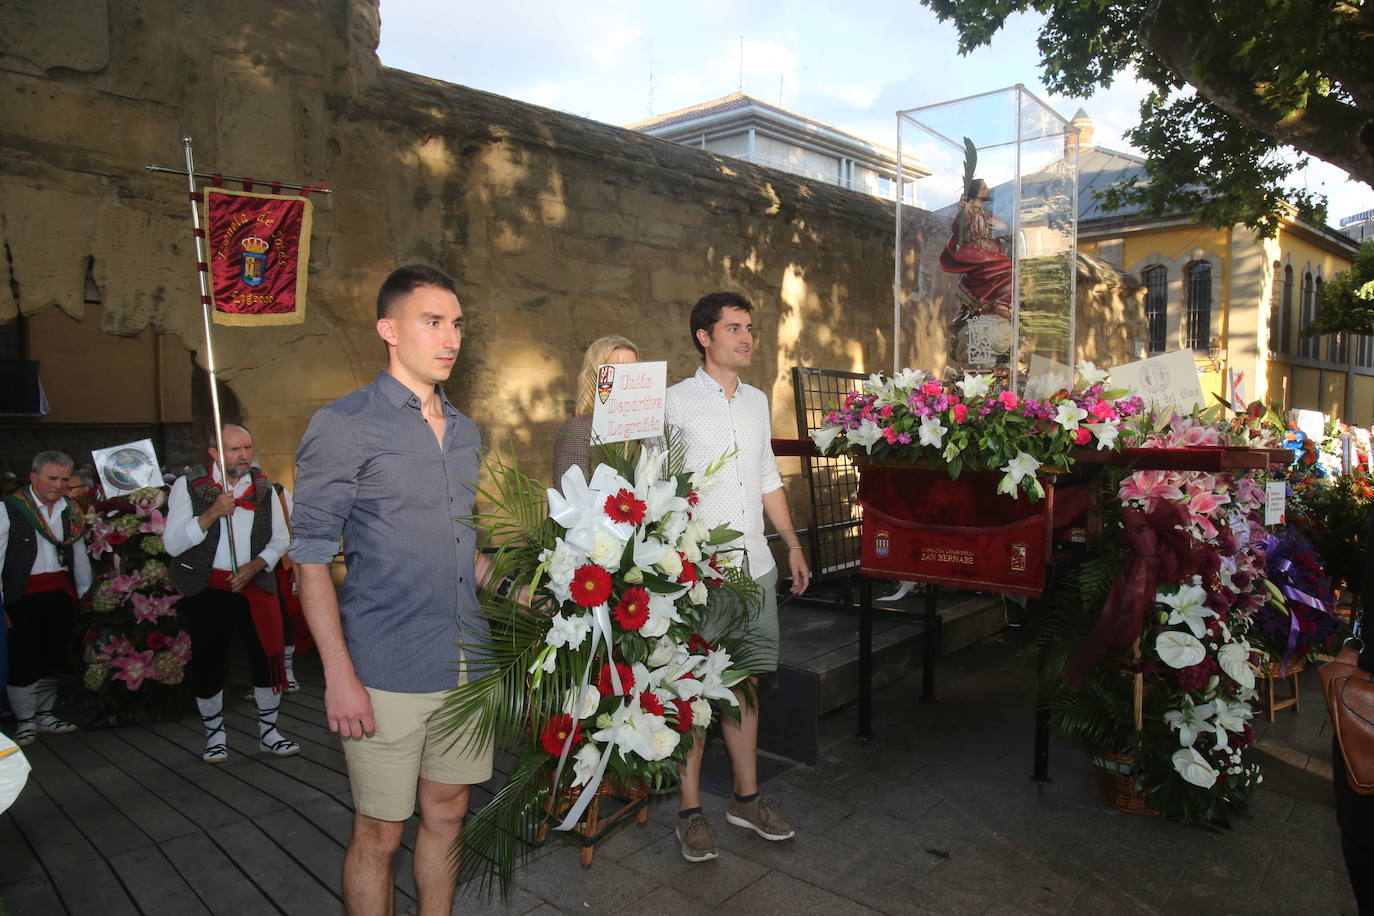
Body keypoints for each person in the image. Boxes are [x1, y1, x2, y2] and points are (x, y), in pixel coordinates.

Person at [290, 264, 512, 916]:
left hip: (467, 662)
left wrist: (536, 600)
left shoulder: (467, 432)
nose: (450, 338)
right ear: (389, 329)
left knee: (448, 813)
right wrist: (337, 674)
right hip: (384, 667)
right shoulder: (344, 425)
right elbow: (308, 558)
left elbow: (461, 550)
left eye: (457, 324)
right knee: (380, 832)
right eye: (432, 321)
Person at [665, 291, 811, 863]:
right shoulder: (672, 403)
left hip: (757, 566)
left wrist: (793, 545)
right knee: (693, 691)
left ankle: (747, 800)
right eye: (734, 328)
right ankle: (690, 810)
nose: (747, 337)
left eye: (750, 327)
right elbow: (651, 485)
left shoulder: (754, 402)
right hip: (698, 574)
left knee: (745, 685)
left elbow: (767, 478)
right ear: (705, 336)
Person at [164, 424, 298, 763]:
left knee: (266, 658)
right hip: (208, 587)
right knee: (210, 660)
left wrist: (256, 566)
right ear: (214, 454)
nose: (244, 456)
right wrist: (210, 514)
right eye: (234, 450)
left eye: (247, 448)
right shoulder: (190, 486)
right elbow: (173, 544)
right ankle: (214, 735)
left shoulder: (264, 488)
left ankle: (269, 732)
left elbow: (281, 539)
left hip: (255, 583)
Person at [1, 451, 90, 746]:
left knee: (53, 655)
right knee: (23, 657)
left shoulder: (70, 510)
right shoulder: (10, 508)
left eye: (65, 479)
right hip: (21, 596)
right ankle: (25, 721)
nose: (58, 485)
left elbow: (78, 555)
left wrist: (84, 592)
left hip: (60, 592)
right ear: (34, 477)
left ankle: (46, 715)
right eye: (52, 478)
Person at [551, 335, 641, 485]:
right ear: (595, 376)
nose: (627, 378)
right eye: (616, 370)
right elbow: (568, 497)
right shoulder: (579, 428)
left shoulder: (644, 431)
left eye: (632, 369)